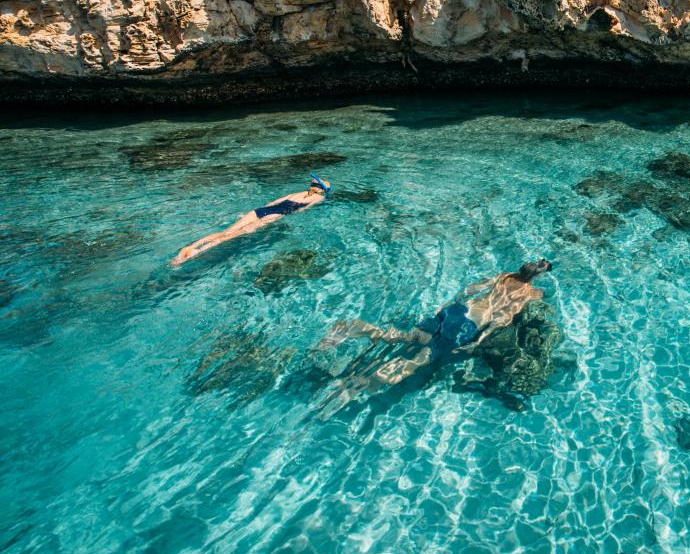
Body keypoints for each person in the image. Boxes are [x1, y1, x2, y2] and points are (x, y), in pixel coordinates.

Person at [316, 259, 552, 410]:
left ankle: (359, 329)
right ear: (536, 277)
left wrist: (452, 302)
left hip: (457, 310)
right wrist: (478, 341)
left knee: (410, 337)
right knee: (422, 358)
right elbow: (503, 319)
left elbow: (471, 289)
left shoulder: (503, 276)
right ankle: (367, 383)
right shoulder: (529, 293)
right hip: (467, 327)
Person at [171, 174, 332, 266]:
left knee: (225, 232)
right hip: (273, 216)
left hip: (259, 211)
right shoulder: (318, 199)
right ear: (323, 191)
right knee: (231, 237)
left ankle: (192, 247)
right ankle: (196, 253)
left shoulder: (296, 192)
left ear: (311, 184)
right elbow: (299, 211)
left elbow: (272, 203)